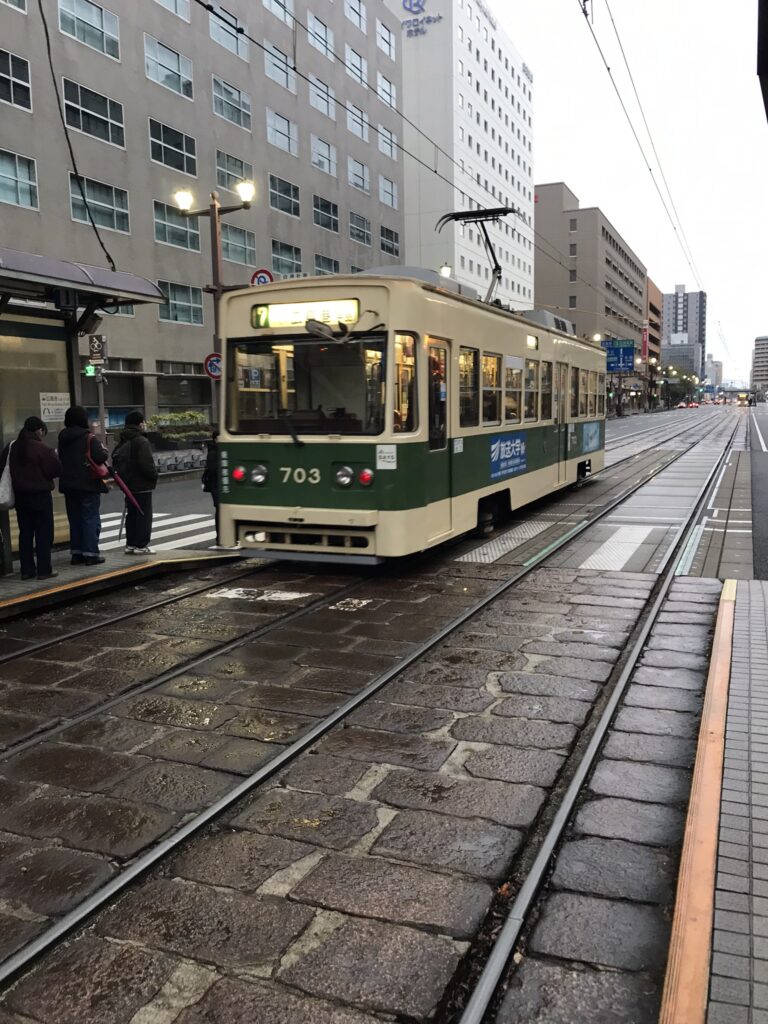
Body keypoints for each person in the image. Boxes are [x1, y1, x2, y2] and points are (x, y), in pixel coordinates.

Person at [0, 417, 62, 580]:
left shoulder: (12, 447)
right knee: (43, 533)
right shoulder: (43, 449)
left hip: (20, 497)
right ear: (39, 430)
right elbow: (55, 470)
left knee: (25, 533)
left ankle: (27, 570)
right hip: (40, 496)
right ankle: (44, 570)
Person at [58, 406, 109, 566]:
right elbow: (101, 456)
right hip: (87, 484)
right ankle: (91, 554)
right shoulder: (89, 438)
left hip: (68, 485)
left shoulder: (62, 438)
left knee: (75, 519)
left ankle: (77, 553)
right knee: (89, 518)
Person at [113, 410, 158, 554]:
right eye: (143, 422)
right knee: (143, 515)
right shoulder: (141, 441)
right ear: (140, 423)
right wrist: (154, 476)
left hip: (128, 485)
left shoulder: (123, 440)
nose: (145, 424)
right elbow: (147, 465)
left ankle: (130, 544)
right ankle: (141, 546)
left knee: (131, 515)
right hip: (142, 484)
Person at [202, 432, 220, 546]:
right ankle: (221, 536)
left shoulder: (216, 450)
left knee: (221, 510)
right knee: (220, 509)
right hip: (216, 485)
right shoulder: (214, 452)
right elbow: (213, 470)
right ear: (215, 439)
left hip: (218, 484)